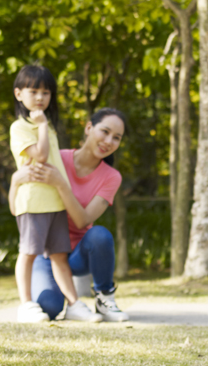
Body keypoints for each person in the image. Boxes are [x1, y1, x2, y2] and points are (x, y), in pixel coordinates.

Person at [9, 108, 130, 323]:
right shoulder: (58, 158)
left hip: (77, 254)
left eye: (116, 138)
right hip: (48, 252)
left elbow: (83, 221)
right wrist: (15, 180)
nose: (109, 141)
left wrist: (60, 184)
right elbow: (24, 200)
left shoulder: (112, 177)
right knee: (49, 308)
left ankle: (104, 299)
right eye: (105, 131)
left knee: (100, 236)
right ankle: (68, 302)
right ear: (88, 128)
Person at [8, 64, 103, 323]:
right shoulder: (21, 127)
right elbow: (38, 155)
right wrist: (40, 125)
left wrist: (42, 126)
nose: (40, 97)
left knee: (60, 255)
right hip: (33, 202)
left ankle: (74, 304)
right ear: (19, 94)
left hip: (55, 202)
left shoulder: (46, 127)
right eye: (34, 91)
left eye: (46, 92)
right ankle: (25, 305)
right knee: (28, 252)